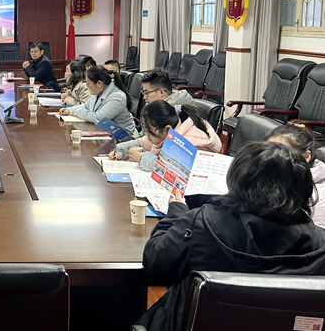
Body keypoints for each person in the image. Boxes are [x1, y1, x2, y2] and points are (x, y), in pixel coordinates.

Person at [136, 141, 325, 331]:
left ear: (238, 180)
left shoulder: (204, 223)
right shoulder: (320, 243)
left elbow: (155, 260)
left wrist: (176, 213)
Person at [109, 101, 221, 170]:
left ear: (167, 129)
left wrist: (143, 158)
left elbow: (175, 169)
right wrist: (122, 151)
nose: (146, 134)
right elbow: (143, 142)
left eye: (149, 130)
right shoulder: (170, 132)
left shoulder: (190, 142)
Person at [266, 124, 325, 228]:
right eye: (268, 150)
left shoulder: (319, 199)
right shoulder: (272, 174)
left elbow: (315, 235)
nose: (271, 158)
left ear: (306, 157)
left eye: (281, 152)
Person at [60, 66, 138, 137]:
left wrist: (77, 112)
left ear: (99, 83)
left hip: (124, 137)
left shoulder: (117, 97)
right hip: (106, 133)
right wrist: (69, 110)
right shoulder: (98, 91)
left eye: (88, 84)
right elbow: (86, 106)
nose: (87, 86)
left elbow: (99, 118)